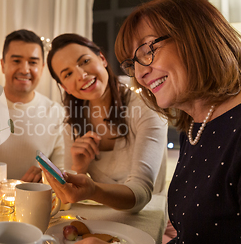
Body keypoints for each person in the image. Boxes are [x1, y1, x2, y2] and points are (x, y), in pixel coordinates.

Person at [44, 0, 241, 244]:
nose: (139, 73)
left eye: (148, 50)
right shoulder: (196, 127)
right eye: (133, 62)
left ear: (196, 35)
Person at [45, 33, 167, 212]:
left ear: (102, 58)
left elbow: (140, 194)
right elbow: (73, 198)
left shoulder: (145, 102)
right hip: (96, 219)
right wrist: (79, 168)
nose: (82, 75)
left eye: (85, 61)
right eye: (68, 73)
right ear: (64, 87)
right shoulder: (73, 121)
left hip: (149, 217)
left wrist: (92, 190)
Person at [0, 29, 65, 182]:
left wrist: (42, 181)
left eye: (33, 62)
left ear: (42, 68)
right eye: (16, 61)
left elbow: (62, 173)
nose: (25, 69)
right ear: (3, 65)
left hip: (36, 201)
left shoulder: (56, 113)